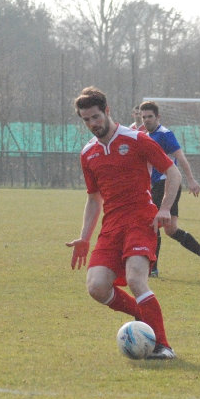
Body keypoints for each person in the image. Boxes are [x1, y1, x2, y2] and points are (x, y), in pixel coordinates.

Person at [66, 87, 181, 359]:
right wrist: (84, 237)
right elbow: (94, 198)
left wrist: (165, 208)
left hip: (141, 220)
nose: (92, 124)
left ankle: (163, 346)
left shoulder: (137, 139)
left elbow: (172, 172)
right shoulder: (88, 153)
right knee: (96, 287)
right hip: (112, 225)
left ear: (107, 111)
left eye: (95, 117)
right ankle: (144, 317)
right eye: (86, 120)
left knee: (135, 279)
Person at [139, 101, 200, 278]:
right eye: (144, 117)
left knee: (153, 224)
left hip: (167, 184)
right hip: (156, 185)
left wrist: (191, 179)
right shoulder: (146, 135)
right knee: (171, 229)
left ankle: (153, 269)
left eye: (150, 116)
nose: (146, 120)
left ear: (158, 117)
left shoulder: (165, 134)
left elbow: (180, 157)